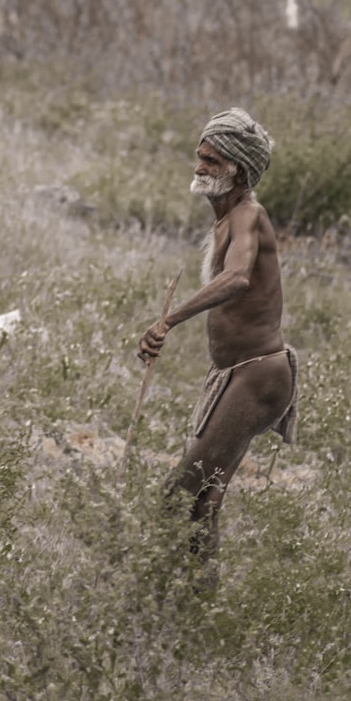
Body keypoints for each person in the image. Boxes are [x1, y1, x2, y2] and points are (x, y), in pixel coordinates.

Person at [138, 107, 298, 566]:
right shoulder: (226, 218)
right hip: (239, 374)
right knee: (204, 503)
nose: (199, 168)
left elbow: (238, 277)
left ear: (239, 171)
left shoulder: (249, 215)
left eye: (210, 161)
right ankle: (194, 602)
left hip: (258, 375)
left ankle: (160, 591)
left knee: (179, 492)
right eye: (199, 157)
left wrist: (169, 320)